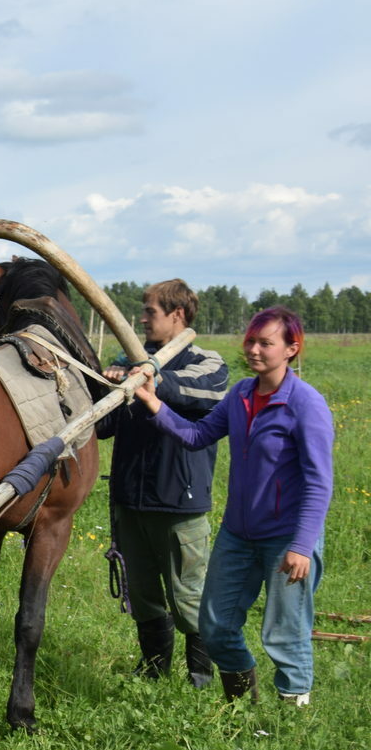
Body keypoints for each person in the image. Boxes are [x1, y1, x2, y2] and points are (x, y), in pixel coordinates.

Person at [132, 305, 333, 704]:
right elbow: (197, 435)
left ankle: (292, 723)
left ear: (291, 349)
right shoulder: (241, 394)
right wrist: (154, 404)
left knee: (284, 632)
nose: (254, 349)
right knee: (215, 624)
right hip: (238, 535)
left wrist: (301, 546)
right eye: (250, 341)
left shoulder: (306, 405)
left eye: (266, 343)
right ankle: (242, 708)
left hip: (286, 539)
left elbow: (319, 481)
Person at [99, 280, 228, 686]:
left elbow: (201, 394)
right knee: (143, 596)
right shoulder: (130, 360)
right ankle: (154, 671)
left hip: (179, 501)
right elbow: (103, 427)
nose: (141, 318)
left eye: (150, 311)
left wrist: (150, 378)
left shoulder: (208, 362)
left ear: (178, 314)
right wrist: (107, 385)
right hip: (130, 499)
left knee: (189, 597)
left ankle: (200, 678)